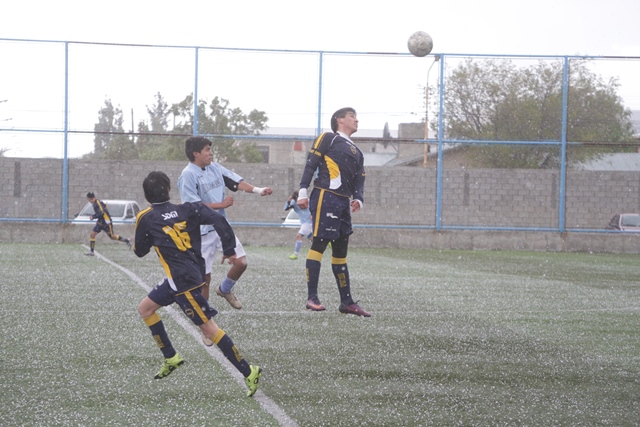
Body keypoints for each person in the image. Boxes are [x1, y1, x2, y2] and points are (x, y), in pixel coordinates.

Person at [134, 171, 262, 396]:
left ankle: (248, 370)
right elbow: (218, 219)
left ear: (146, 196)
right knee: (145, 308)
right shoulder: (188, 208)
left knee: (209, 329)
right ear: (169, 190)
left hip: (184, 282)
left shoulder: (146, 217)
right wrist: (230, 249)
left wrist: (147, 240)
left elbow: (140, 251)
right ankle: (171, 357)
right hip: (185, 275)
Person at [177, 136, 272, 314]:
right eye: (207, 150)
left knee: (241, 263)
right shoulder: (187, 175)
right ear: (196, 153)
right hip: (201, 233)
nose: (211, 153)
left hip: (221, 227)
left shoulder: (214, 168)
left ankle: (225, 289)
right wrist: (220, 205)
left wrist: (259, 190)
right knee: (205, 278)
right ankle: (205, 319)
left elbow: (235, 181)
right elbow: (191, 207)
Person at [297, 107, 371, 317]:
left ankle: (346, 302)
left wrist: (358, 199)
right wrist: (303, 190)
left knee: (340, 252)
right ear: (339, 120)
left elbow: (360, 180)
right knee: (320, 243)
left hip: (343, 203)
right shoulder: (328, 138)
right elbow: (311, 165)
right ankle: (312, 297)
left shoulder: (358, 151)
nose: (356, 119)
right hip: (325, 195)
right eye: (352, 116)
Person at [84, 192, 131, 256]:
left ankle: (126, 240)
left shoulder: (98, 203)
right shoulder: (96, 203)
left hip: (107, 223)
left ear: (95, 197)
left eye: (92, 199)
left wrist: (93, 216)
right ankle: (91, 251)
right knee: (92, 234)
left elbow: (102, 212)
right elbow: (104, 207)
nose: (91, 201)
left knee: (112, 237)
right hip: (100, 222)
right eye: (89, 200)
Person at [284, 190, 312, 260]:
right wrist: (288, 201)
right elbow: (286, 208)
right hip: (304, 223)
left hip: (308, 222)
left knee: (299, 236)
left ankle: (295, 254)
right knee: (311, 239)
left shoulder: (307, 201)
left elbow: (316, 208)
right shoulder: (294, 202)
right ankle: (327, 241)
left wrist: (313, 214)